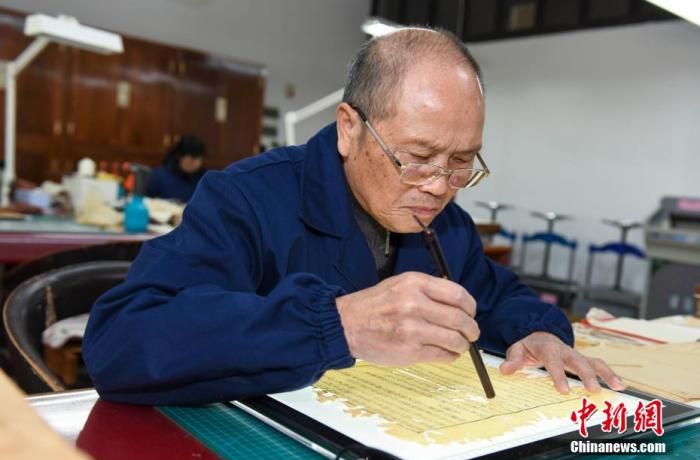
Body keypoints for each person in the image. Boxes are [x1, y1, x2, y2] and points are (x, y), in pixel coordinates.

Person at [83, 27, 624, 405]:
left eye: (462, 162)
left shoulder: (446, 226)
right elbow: (122, 342)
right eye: (416, 157)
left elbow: (499, 297)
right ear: (349, 128)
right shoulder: (248, 200)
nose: (439, 186)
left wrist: (537, 333)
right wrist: (335, 325)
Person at [145, 135, 207, 203]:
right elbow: (147, 201)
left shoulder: (204, 179)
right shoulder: (160, 176)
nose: (197, 164)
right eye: (192, 159)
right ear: (179, 156)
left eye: (200, 159)